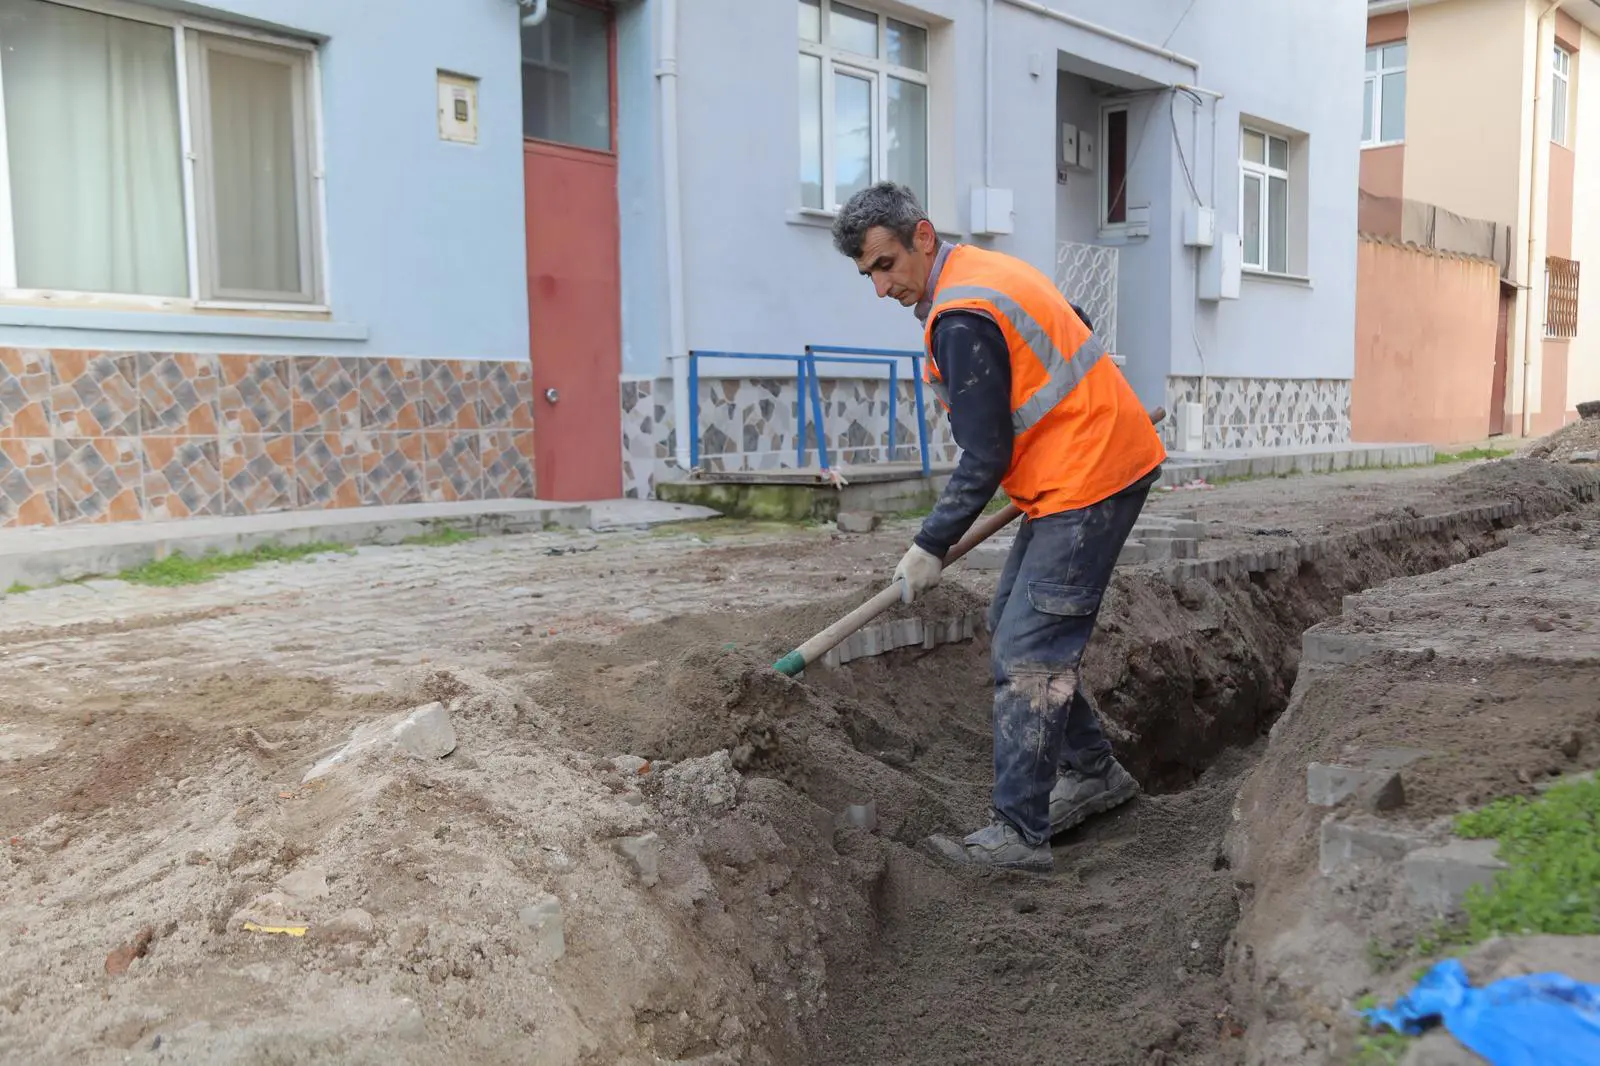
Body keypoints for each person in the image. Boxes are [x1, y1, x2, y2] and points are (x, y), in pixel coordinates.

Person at [830, 182, 1167, 873]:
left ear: (922, 236)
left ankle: (1019, 832)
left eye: (886, 265)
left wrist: (930, 544)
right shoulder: (981, 273)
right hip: (1075, 470)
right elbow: (1071, 320)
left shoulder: (960, 316)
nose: (880, 287)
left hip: (1091, 476)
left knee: (1029, 648)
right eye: (868, 273)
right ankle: (1093, 772)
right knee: (1013, 623)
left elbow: (986, 453)